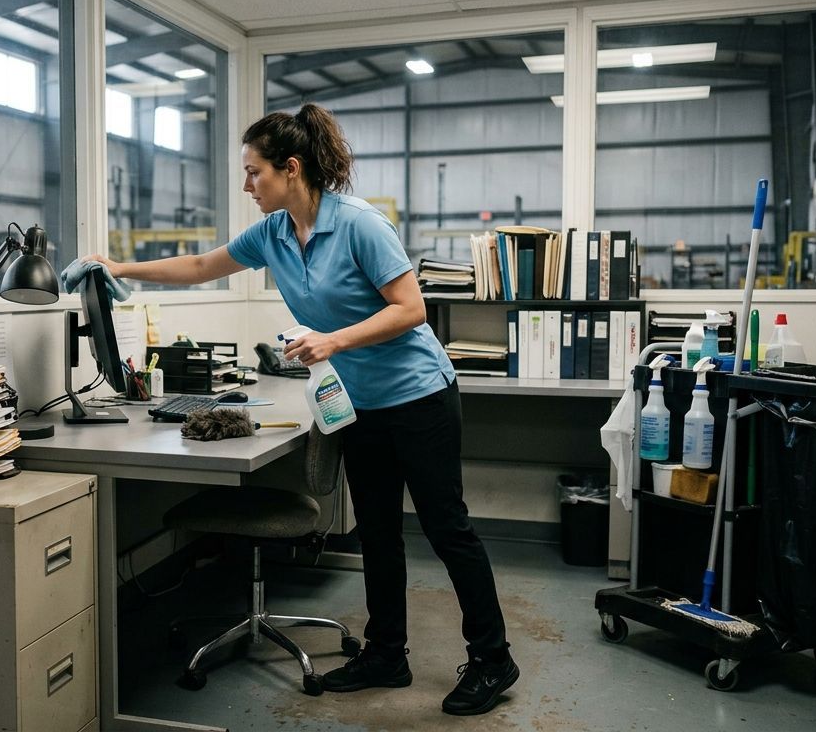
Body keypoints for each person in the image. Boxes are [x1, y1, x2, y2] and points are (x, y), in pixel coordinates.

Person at [82, 103, 517, 716]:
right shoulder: (274, 232)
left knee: (448, 529)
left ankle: (493, 660)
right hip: (361, 404)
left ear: (291, 168)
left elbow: (411, 309)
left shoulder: (361, 225)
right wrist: (118, 266)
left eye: (253, 172)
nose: (245, 184)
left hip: (419, 396)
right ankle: (387, 654)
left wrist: (333, 341)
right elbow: (206, 265)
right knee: (378, 533)